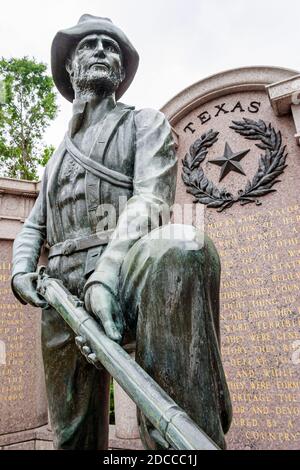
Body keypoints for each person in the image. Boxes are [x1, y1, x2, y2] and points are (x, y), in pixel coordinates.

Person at [11, 15, 232, 449]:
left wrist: (106, 274)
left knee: (183, 248)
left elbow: (150, 200)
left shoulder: (143, 124)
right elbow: (34, 225)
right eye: (88, 45)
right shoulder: (56, 158)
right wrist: (21, 271)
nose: (100, 50)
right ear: (71, 69)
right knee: (71, 432)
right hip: (58, 289)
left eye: (110, 47)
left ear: (120, 71)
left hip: (122, 267)